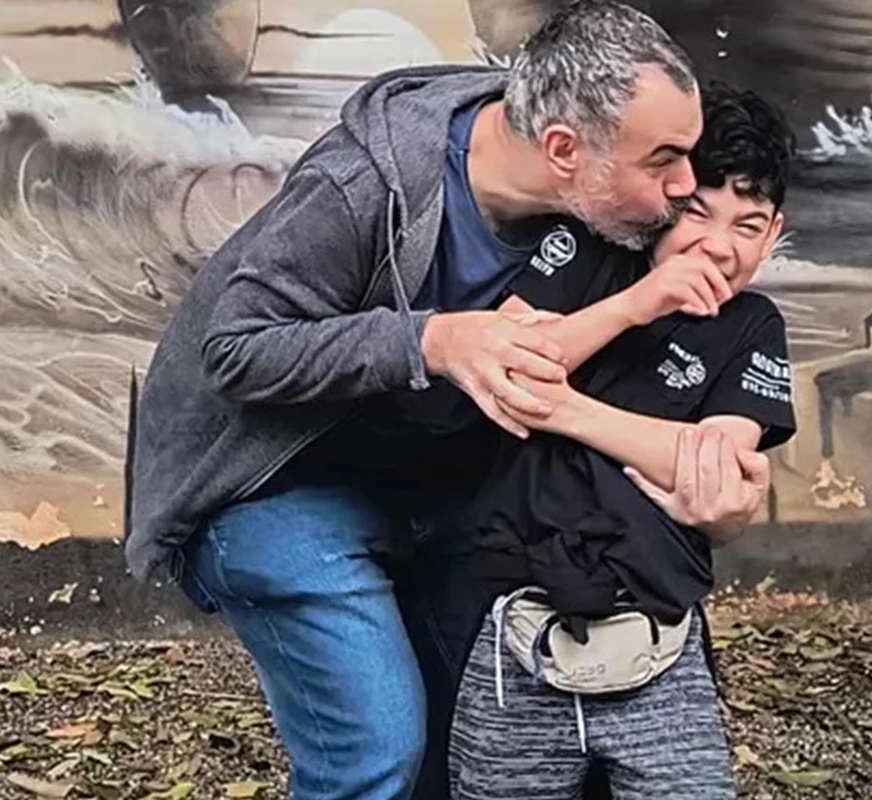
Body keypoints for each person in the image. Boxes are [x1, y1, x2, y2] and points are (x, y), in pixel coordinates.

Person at [123, 2, 770, 798]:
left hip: (437, 486)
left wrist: (723, 483)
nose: (684, 187)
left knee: (471, 745)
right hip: (272, 482)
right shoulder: (367, 182)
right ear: (563, 150)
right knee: (380, 748)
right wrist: (433, 340)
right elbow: (235, 348)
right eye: (664, 162)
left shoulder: (601, 207)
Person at [441, 83, 797, 799]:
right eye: (697, 212)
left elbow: (713, 472)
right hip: (513, 615)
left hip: (656, 622)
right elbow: (507, 360)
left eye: (748, 225)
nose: (718, 246)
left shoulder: (754, 326)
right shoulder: (586, 251)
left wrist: (564, 409)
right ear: (666, 194)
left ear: (774, 233)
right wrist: (638, 304)